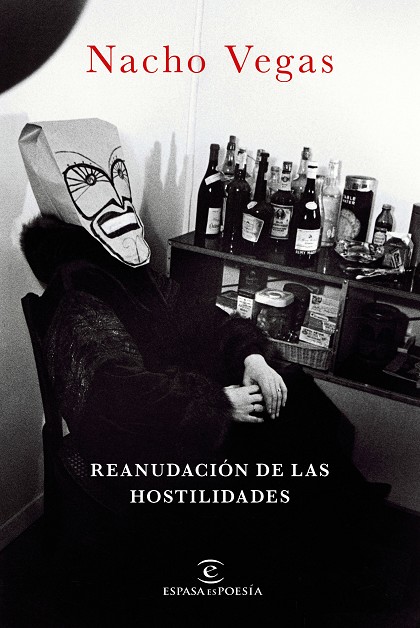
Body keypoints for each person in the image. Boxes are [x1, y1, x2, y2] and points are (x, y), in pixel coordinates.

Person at [19, 119, 390, 612]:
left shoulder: (128, 269)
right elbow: (113, 398)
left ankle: (340, 528)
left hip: (183, 397)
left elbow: (203, 319)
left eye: (116, 178)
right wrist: (217, 402)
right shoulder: (75, 294)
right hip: (143, 439)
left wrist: (252, 356)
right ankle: (309, 563)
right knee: (273, 454)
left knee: (291, 391)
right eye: (94, 188)